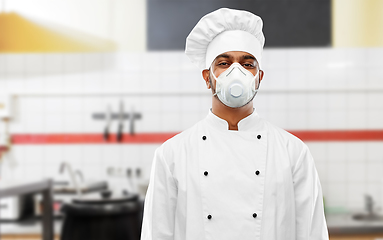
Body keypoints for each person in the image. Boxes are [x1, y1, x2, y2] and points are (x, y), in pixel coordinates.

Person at [141, 8, 328, 240]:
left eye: (247, 64)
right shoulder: (172, 155)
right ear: (207, 77)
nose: (236, 72)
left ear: (259, 78)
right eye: (224, 63)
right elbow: (156, 234)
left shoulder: (293, 153)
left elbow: (312, 233)